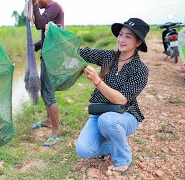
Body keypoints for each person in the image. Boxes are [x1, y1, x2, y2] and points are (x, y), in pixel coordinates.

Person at [73, 18, 150, 173]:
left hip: (125, 116)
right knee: (83, 150)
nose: (121, 39)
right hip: (99, 113)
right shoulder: (108, 56)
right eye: (120, 34)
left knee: (107, 119)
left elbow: (121, 99)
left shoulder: (140, 69)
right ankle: (113, 142)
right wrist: (57, 33)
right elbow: (81, 51)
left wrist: (97, 81)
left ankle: (123, 158)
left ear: (138, 43)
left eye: (128, 36)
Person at [30, 0, 64, 147]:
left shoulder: (54, 7)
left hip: (52, 57)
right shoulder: (51, 9)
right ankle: (49, 120)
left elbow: (39, 23)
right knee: (45, 91)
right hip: (47, 55)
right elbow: (47, 35)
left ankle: (55, 133)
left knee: (49, 94)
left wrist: (35, 4)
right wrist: (35, 47)